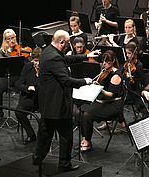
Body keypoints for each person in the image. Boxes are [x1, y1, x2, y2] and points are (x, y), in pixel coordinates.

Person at [31, 29, 100, 172]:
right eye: (68, 43)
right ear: (61, 42)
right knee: (65, 135)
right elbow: (65, 80)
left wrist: (86, 55)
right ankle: (63, 164)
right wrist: (84, 81)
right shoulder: (54, 57)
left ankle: (37, 158)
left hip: (49, 103)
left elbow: (66, 59)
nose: (69, 45)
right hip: (57, 104)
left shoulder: (48, 51)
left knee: (46, 133)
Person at [73, 49, 125, 152]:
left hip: (113, 104)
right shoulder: (103, 71)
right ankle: (84, 137)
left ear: (113, 61)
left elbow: (110, 95)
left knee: (87, 115)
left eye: (108, 61)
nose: (104, 64)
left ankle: (87, 141)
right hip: (101, 102)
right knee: (79, 111)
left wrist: (100, 89)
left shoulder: (116, 76)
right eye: (103, 61)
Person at [0, 28, 23, 122]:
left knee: (23, 87)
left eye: (12, 38)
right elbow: (1, 66)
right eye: (8, 38)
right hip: (7, 75)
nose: (11, 40)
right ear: (5, 39)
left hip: (19, 76)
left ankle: (22, 113)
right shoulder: (3, 50)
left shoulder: (20, 48)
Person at [14, 47, 42, 145]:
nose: (37, 64)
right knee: (19, 112)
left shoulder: (47, 69)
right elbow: (18, 83)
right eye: (35, 61)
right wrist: (27, 88)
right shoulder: (28, 67)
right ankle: (31, 134)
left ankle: (43, 136)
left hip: (43, 99)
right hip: (30, 97)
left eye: (39, 61)